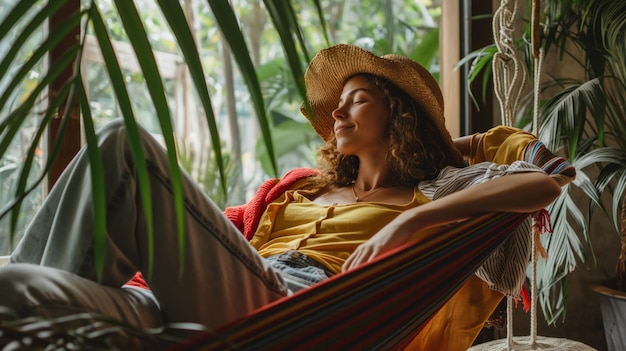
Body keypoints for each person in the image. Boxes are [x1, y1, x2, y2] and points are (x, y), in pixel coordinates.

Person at [0, 44, 562, 348]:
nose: (336, 112)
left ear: (400, 112)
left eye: (358, 99)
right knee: (13, 287)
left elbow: (550, 178)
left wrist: (409, 219)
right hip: (203, 305)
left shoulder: (428, 197)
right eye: (337, 104)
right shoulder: (301, 188)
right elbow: (223, 236)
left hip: (296, 312)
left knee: (122, 144)